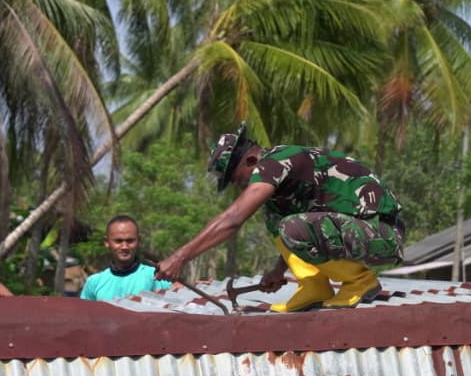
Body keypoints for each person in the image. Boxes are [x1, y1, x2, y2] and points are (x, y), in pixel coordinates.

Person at [156, 124, 405, 312]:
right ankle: (314, 285)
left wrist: (180, 257)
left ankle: (360, 281)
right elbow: (306, 228)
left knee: (290, 226)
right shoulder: (278, 187)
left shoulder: (277, 162)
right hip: (354, 232)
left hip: (383, 233)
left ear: (251, 160)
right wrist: (278, 271)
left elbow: (233, 219)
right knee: (276, 218)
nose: (240, 186)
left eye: (238, 179)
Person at [80, 215, 172, 301]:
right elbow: (84, 312)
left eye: (130, 241)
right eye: (118, 241)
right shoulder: (94, 282)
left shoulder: (155, 277)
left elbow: (177, 303)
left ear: (139, 240)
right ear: (107, 242)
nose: (124, 246)